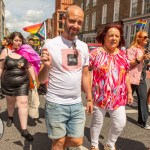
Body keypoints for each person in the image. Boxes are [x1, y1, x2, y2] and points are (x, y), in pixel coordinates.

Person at [38, 5, 93, 150]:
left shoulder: (83, 46)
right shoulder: (50, 44)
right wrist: (47, 66)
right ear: (64, 19)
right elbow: (41, 80)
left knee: (77, 141)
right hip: (55, 103)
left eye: (79, 22)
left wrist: (89, 98)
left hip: (76, 103)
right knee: (59, 142)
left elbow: (86, 74)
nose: (75, 25)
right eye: (72, 21)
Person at [89, 24, 133, 150]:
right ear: (105, 37)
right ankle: (94, 144)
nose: (114, 38)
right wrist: (89, 95)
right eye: (111, 35)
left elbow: (126, 75)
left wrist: (130, 92)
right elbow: (86, 73)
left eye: (117, 36)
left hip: (118, 97)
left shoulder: (123, 56)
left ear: (120, 39)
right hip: (99, 97)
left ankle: (110, 143)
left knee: (120, 123)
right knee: (97, 123)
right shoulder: (95, 54)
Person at [0, 31, 40, 141]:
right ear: (11, 41)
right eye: (16, 40)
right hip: (8, 83)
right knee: (10, 102)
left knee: (23, 103)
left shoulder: (25, 52)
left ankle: (24, 130)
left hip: (23, 83)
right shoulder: (6, 51)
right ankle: (10, 116)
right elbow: (1, 67)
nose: (18, 42)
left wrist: (34, 80)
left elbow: (30, 67)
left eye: (20, 40)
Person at [127, 30, 150, 129]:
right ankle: (112, 111)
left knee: (143, 99)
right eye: (144, 37)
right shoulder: (132, 49)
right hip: (131, 78)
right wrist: (140, 58)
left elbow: (145, 64)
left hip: (141, 79)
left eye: (147, 37)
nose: (147, 39)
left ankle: (142, 121)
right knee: (124, 99)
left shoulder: (145, 50)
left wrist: (147, 62)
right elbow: (128, 64)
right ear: (138, 38)